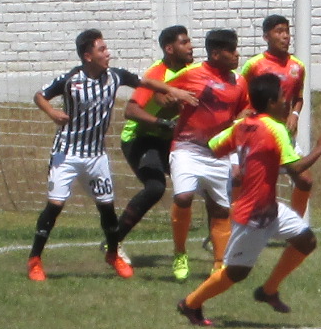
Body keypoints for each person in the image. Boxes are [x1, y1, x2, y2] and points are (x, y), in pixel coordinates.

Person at [27, 28, 195, 282]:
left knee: (107, 208)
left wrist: (177, 92)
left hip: (96, 156)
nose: (109, 53)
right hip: (67, 153)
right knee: (56, 205)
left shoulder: (115, 77)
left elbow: (146, 82)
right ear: (88, 56)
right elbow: (40, 95)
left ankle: (113, 253)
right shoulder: (72, 79)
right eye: (102, 49)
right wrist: (52, 112)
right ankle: (35, 260)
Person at [176, 74, 321, 327]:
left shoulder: (244, 126)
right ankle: (190, 303)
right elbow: (295, 170)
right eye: (283, 97)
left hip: (269, 207)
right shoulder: (275, 128)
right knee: (236, 273)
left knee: (306, 241)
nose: (287, 101)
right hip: (251, 214)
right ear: (271, 102)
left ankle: (268, 290)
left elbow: (215, 145)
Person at [165, 29, 249, 282]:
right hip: (187, 148)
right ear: (215, 53)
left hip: (218, 153)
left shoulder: (239, 81)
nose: (237, 54)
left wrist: (243, 118)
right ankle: (180, 254)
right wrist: (174, 98)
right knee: (183, 196)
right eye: (231, 50)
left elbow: (245, 106)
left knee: (220, 210)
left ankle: (219, 263)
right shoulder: (190, 74)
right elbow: (160, 94)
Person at [109, 25, 194, 256]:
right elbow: (131, 111)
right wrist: (163, 123)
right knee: (155, 187)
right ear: (169, 48)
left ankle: (219, 237)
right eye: (184, 42)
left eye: (189, 41)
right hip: (141, 138)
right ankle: (113, 241)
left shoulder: (193, 71)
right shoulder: (157, 74)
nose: (190, 46)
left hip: (170, 139)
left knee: (204, 180)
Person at [240, 14, 312, 215]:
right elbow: (241, 94)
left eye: (287, 31)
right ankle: (233, 222)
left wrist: (295, 115)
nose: (285, 36)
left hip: (284, 133)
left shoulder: (297, 66)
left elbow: (298, 97)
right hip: (259, 133)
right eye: (279, 32)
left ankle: (296, 227)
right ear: (266, 37)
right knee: (247, 181)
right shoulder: (254, 65)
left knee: (305, 179)